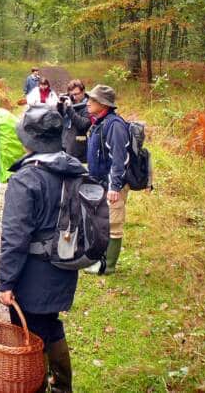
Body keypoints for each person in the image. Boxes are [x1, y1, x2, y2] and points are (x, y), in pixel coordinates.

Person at [0, 106, 87, 393]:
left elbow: (14, 238)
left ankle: (35, 386)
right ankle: (62, 386)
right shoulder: (72, 168)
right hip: (63, 262)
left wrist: (6, 282)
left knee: (29, 335)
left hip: (32, 273)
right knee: (49, 324)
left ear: (29, 141)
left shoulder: (26, 179)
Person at [83, 85, 130, 275]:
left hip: (113, 185)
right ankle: (100, 262)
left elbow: (120, 158)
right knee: (102, 222)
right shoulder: (99, 123)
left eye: (92, 100)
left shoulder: (115, 125)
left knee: (114, 224)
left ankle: (108, 267)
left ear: (103, 104)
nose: (88, 103)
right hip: (101, 182)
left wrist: (115, 186)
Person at [58, 79, 90, 162]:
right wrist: (59, 105)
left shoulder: (89, 105)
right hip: (64, 144)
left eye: (76, 94)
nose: (74, 97)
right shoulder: (69, 102)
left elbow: (83, 124)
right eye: (72, 95)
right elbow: (58, 119)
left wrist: (69, 108)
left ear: (83, 91)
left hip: (79, 149)